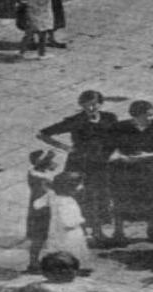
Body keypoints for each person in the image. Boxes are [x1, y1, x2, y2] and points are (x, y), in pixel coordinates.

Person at [38, 91, 118, 246]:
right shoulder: (76, 120)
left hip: (102, 163)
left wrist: (115, 152)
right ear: (81, 105)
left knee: (102, 196)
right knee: (83, 197)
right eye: (87, 105)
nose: (91, 107)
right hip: (81, 163)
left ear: (101, 104)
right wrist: (66, 148)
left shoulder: (110, 118)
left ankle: (99, 232)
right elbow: (42, 134)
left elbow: (117, 136)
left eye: (95, 104)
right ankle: (86, 233)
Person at [108, 100, 153, 245]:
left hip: (151, 168)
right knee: (122, 199)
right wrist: (121, 157)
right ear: (135, 116)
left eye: (151, 115)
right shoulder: (120, 127)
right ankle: (118, 232)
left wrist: (149, 155)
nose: (149, 119)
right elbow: (111, 147)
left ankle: (152, 231)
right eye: (145, 116)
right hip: (126, 169)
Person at [16, 0, 97, 59]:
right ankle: (42, 54)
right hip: (43, 15)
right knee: (42, 35)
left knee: (28, 34)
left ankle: (21, 52)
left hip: (30, 14)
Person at [38, 171, 92, 272]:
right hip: (70, 231)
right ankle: (73, 267)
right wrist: (81, 221)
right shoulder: (67, 201)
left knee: (57, 247)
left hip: (55, 229)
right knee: (72, 248)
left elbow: (37, 204)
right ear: (69, 188)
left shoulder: (53, 196)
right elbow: (68, 222)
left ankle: (59, 267)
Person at [25, 150, 57, 273]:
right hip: (41, 210)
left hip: (44, 207)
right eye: (49, 161)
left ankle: (37, 261)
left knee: (42, 237)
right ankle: (33, 263)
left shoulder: (41, 173)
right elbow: (43, 193)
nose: (53, 163)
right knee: (38, 236)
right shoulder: (37, 176)